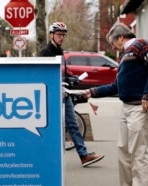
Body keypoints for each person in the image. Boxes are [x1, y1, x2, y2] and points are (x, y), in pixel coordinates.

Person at [83, 22, 148, 185]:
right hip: (127, 107)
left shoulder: (142, 45)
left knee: (138, 153)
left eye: (113, 43)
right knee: (123, 151)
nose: (113, 47)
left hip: (141, 107)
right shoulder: (125, 55)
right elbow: (117, 85)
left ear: (120, 37)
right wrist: (92, 92)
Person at [39, 22, 104, 167]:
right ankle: (46, 158)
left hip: (64, 93)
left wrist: (71, 77)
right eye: (58, 35)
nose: (61, 37)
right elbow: (44, 74)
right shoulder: (45, 53)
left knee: (73, 124)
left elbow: (62, 71)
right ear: (51, 35)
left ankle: (84, 155)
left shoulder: (61, 51)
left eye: (63, 35)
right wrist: (65, 78)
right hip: (53, 95)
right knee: (52, 126)